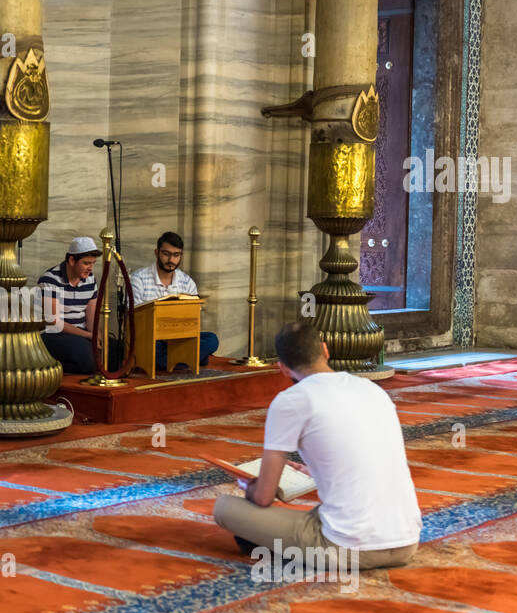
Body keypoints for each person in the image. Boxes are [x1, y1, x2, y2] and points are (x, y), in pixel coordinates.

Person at [212, 321, 421, 569]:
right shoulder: (372, 389)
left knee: (225, 509)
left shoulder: (292, 400)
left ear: (283, 368)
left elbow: (263, 498)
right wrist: (312, 473)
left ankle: (281, 548)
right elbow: (367, 457)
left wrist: (251, 487)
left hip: (347, 547)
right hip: (407, 542)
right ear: (325, 350)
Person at [128, 231, 219, 370]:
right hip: (151, 338)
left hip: (179, 338)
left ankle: (175, 359)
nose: (171, 260)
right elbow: (133, 315)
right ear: (156, 252)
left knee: (212, 340)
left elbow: (194, 316)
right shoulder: (138, 279)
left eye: (176, 255)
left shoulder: (187, 282)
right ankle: (188, 358)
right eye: (166, 254)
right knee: (152, 350)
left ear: (181, 256)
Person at [38, 236, 122, 374]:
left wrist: (97, 336)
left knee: (116, 350)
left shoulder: (89, 279)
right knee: (87, 357)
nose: (90, 268)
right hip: (55, 335)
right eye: (86, 263)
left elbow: (91, 317)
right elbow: (54, 322)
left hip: (81, 334)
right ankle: (49, 367)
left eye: (93, 263)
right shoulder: (50, 279)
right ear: (71, 260)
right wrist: (88, 336)